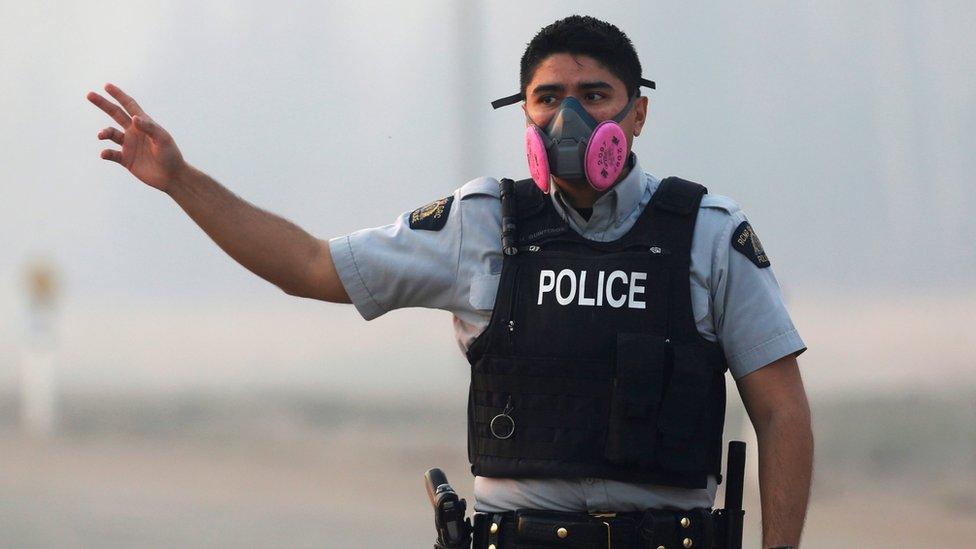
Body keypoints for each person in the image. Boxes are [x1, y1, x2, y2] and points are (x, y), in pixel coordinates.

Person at [86, 14, 812, 549]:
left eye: (595, 94)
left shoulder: (708, 232)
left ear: (637, 111)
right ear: (524, 111)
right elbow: (310, 265)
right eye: (548, 96)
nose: (570, 116)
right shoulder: (482, 222)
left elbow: (781, 410)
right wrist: (181, 181)